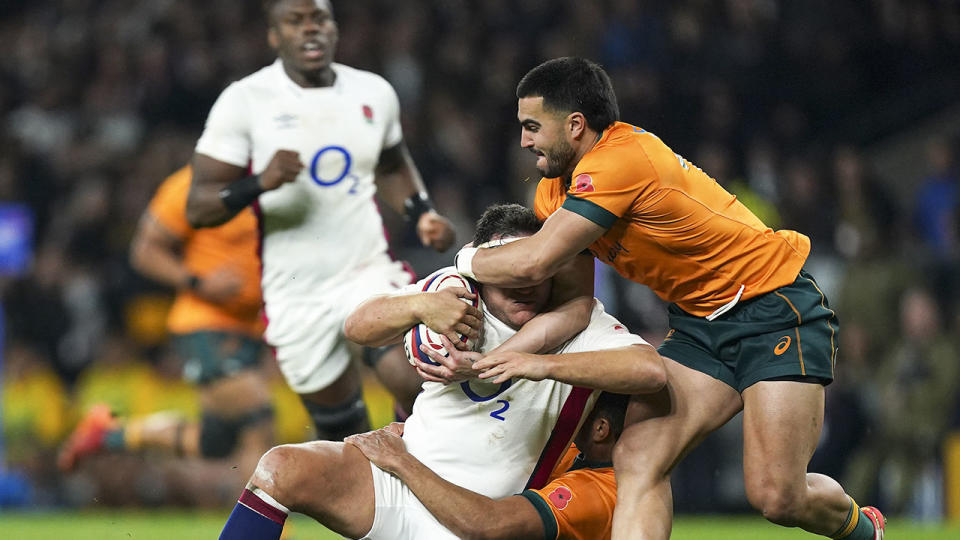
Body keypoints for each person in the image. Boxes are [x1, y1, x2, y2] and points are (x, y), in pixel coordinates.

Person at [453, 57, 885, 540]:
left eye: (533, 126)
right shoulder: (553, 195)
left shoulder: (621, 159)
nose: (523, 141)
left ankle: (863, 530)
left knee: (776, 496)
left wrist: (464, 261)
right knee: (637, 455)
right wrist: (504, 357)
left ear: (575, 126)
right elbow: (576, 307)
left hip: (773, 307)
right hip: (700, 326)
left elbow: (533, 262)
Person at [217, 203, 666, 540]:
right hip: (392, 484)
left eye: (535, 268)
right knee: (281, 468)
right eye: (509, 270)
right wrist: (415, 304)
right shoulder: (453, 297)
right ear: (485, 269)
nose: (526, 282)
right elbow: (357, 326)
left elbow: (649, 368)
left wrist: (533, 364)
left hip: (472, 515)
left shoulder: (582, 327)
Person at [185, 0, 456, 439]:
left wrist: (420, 211)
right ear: (274, 36)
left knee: (415, 380)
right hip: (296, 292)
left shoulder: (373, 92)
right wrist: (259, 183)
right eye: (295, 21)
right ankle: (372, 493)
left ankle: (434, 469)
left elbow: (389, 164)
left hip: (364, 270)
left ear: (334, 29)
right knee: (343, 430)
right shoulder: (245, 100)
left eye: (320, 18)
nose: (310, 29)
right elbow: (198, 207)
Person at [58, 165, 273, 478]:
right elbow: (145, 250)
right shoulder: (192, 183)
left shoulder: (272, 181)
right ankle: (270, 528)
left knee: (216, 442)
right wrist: (200, 283)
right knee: (257, 417)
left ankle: (107, 434)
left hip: (250, 329)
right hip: (205, 324)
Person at [347, 391, 629, 540]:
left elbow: (487, 526)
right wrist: (422, 432)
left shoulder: (604, 492)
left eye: (585, 407)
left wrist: (400, 460)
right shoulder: (578, 452)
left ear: (601, 428)